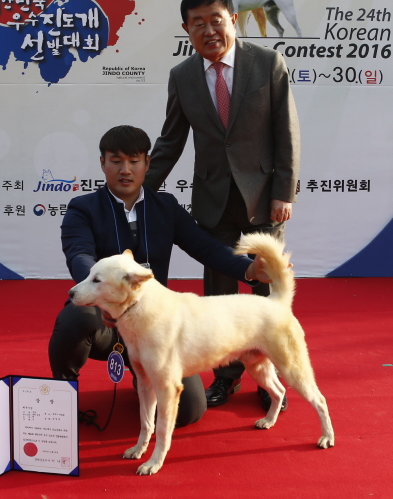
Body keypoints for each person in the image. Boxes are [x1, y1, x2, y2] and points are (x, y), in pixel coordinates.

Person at [48, 125, 268, 427]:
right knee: (78, 315)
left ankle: (143, 378)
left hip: (154, 329)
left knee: (189, 411)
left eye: (134, 161)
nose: (125, 170)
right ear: (102, 163)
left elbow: (205, 246)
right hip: (105, 324)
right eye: (116, 161)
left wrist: (247, 268)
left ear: (147, 163)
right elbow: (79, 255)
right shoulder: (83, 208)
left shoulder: (165, 207)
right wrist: (101, 299)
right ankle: (61, 397)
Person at [146, 0, 301, 410]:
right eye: (197, 23)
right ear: (186, 29)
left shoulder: (267, 63)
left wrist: (283, 192)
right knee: (218, 298)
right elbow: (170, 140)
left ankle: (269, 382)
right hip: (212, 203)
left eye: (216, 20)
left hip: (263, 199)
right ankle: (226, 377)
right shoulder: (182, 76)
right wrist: (139, 191)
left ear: (233, 19)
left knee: (267, 295)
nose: (208, 30)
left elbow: (286, 132)